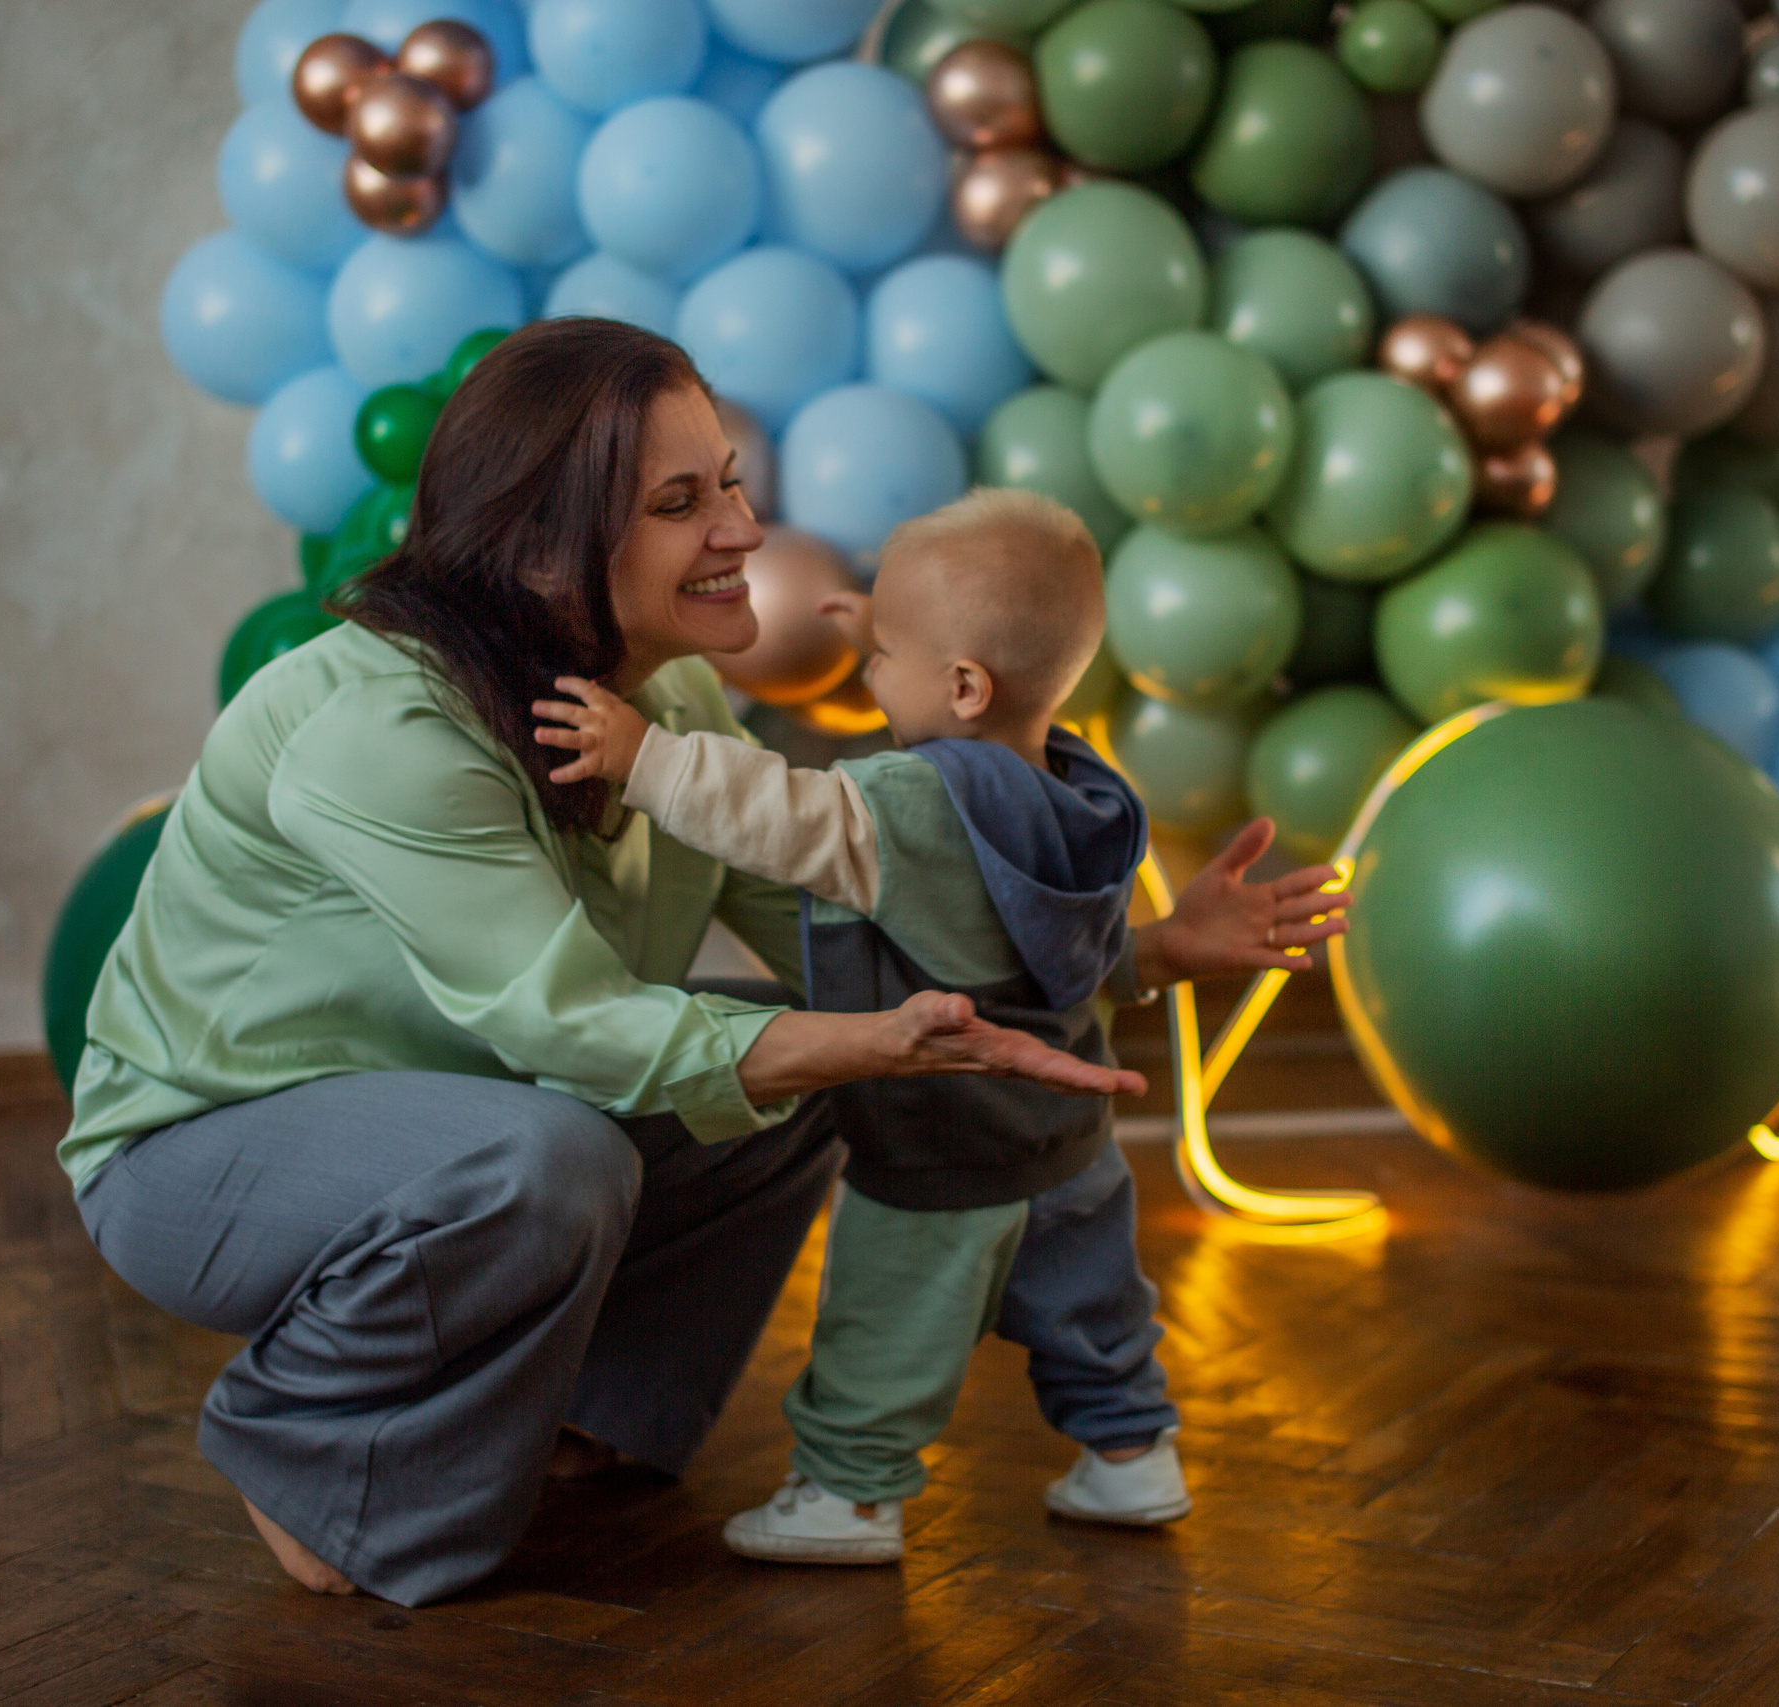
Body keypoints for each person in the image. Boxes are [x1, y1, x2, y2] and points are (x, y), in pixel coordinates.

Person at [58, 318, 1345, 1607]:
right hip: (205, 1149)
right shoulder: (383, 732)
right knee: (564, 1153)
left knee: (795, 1072)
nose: (741, 529)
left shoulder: (665, 701)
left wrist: (1140, 956)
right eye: (681, 503)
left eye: (727, 479)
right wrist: (869, 1040)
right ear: (546, 543)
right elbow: (570, 1026)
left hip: (472, 1103)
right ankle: (310, 1455)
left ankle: (583, 1413)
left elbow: (843, 937)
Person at [536, 488, 1347, 1563]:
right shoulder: (1085, 795)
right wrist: (1165, 951)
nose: (869, 677)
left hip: (943, 1146)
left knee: (886, 1323)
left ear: (963, 684)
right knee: (1093, 1310)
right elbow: (1068, 965)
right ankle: (1130, 1457)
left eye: (885, 657)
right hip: (1068, 1148)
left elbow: (780, 816)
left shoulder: (909, 806)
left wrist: (644, 756)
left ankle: (850, 1496)